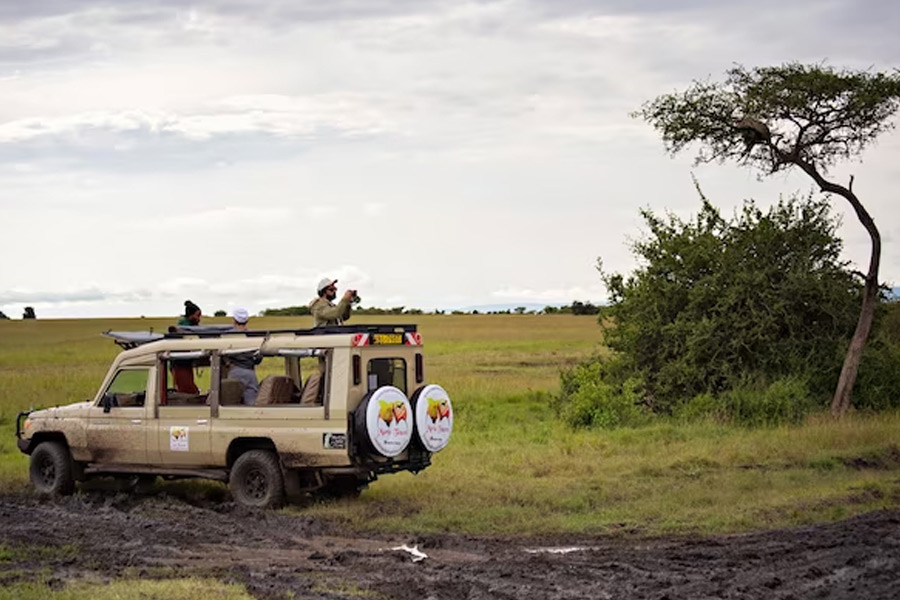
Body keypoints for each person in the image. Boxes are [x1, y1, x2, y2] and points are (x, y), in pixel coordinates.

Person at [225, 307, 261, 405]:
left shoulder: (228, 336)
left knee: (231, 402)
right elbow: (258, 358)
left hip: (235, 371)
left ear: (234, 321)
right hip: (250, 372)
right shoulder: (253, 336)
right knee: (251, 403)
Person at [171, 300, 202, 394]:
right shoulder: (185, 328)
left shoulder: (188, 325)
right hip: (180, 362)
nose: (199, 318)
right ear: (191, 315)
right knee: (186, 388)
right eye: (197, 316)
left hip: (185, 361)